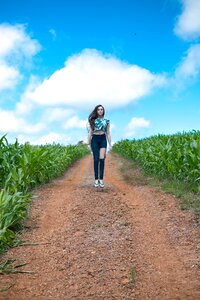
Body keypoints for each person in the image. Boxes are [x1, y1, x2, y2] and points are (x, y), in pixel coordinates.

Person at [87, 104, 112, 187]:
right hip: (94, 139)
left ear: (103, 111)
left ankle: (101, 179)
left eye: (101, 109)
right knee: (96, 159)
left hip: (103, 139)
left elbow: (108, 133)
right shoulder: (93, 120)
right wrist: (88, 143)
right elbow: (90, 132)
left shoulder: (107, 121)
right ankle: (96, 180)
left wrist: (110, 144)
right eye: (98, 109)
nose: (100, 111)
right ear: (96, 111)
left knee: (102, 159)